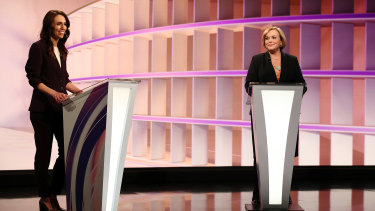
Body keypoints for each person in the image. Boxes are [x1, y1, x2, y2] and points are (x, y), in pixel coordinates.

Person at [25, 10, 82, 211]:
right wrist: (53, 94)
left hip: (59, 109)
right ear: (50, 25)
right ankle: (45, 196)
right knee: (44, 153)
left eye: (65, 24)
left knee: (66, 151)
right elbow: (34, 79)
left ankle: (52, 191)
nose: (63, 28)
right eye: (59, 24)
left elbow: (63, 79)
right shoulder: (38, 48)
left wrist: (81, 91)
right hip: (41, 111)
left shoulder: (62, 50)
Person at [244, 26, 307, 205]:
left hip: (286, 114)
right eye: (266, 38)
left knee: (283, 156)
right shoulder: (257, 60)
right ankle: (260, 194)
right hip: (263, 115)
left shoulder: (292, 61)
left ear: (281, 41)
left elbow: (302, 84)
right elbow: (249, 84)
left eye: (273, 37)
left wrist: (292, 94)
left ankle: (282, 194)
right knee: (262, 156)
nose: (269, 41)